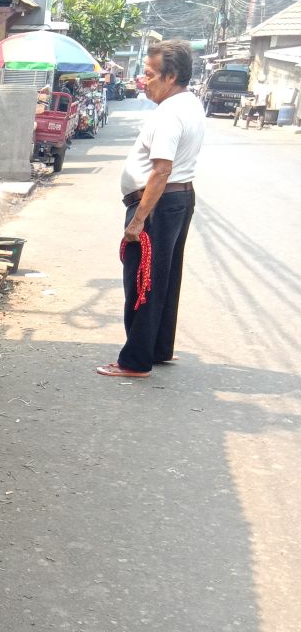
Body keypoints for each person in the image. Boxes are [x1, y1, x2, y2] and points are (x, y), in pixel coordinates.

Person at [97, 39, 204, 378]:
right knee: (162, 278)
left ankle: (135, 360)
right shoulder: (190, 104)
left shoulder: (171, 113)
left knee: (142, 281)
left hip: (157, 204)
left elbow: (161, 169)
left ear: (170, 76)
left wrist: (138, 219)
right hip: (176, 200)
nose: (143, 81)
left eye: (149, 74)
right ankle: (157, 348)